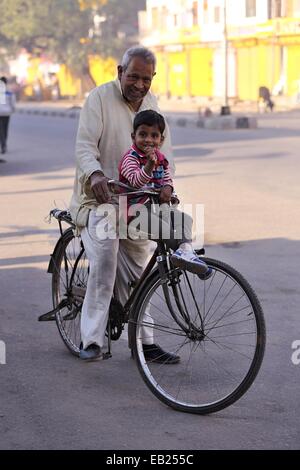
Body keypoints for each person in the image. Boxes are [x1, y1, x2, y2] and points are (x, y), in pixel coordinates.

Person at [70, 46, 181, 363]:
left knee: (141, 270)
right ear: (120, 72)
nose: (139, 84)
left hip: (136, 204)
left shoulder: (152, 104)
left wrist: (167, 185)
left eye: (146, 79)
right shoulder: (99, 99)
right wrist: (94, 175)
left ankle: (144, 342)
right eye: (133, 76)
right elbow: (84, 147)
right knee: (106, 259)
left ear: (152, 79)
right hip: (100, 200)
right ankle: (92, 338)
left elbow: (164, 152)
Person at [119, 109, 212, 277]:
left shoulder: (161, 159)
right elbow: (136, 181)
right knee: (166, 230)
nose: (148, 139)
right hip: (134, 211)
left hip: (157, 208)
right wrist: (148, 165)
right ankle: (186, 258)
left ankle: (185, 251)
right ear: (134, 137)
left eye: (154, 136)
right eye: (143, 134)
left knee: (185, 219)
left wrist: (168, 188)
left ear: (161, 140)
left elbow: (167, 179)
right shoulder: (130, 158)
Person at [0, 76, 15, 154]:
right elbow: (12, 103)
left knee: (1, 130)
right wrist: (13, 110)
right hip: (7, 113)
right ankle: (4, 144)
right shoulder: (9, 92)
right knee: (5, 129)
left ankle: (3, 145)